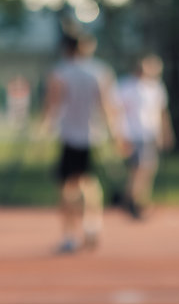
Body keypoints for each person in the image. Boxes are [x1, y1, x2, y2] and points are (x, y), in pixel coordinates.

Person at [41, 30, 125, 253]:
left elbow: (52, 106)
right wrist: (116, 135)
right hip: (92, 136)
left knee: (66, 187)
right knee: (89, 184)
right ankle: (92, 226)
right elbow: (108, 107)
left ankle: (69, 235)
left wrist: (42, 135)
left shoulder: (60, 72)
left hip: (69, 136)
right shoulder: (100, 72)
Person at [112, 54, 175, 218]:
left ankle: (136, 200)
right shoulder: (125, 86)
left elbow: (161, 112)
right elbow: (117, 112)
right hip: (133, 134)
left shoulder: (155, 87)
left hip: (149, 134)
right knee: (138, 169)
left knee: (148, 169)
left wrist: (165, 133)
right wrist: (120, 135)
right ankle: (133, 201)